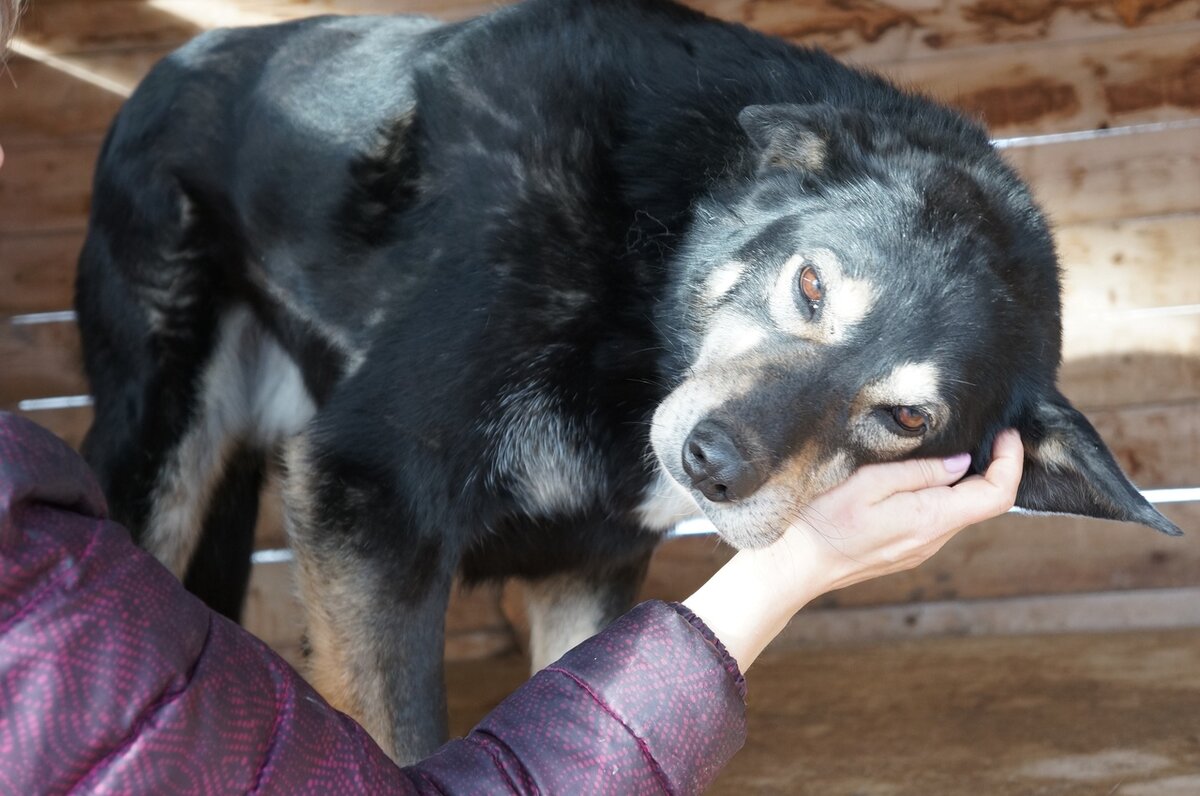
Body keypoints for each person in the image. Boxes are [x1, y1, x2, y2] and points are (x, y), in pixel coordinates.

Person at [0, 3, 1023, 791]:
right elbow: (360, 495)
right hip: (190, 152)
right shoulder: (555, 195)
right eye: (807, 294)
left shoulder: (711, 268)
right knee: (154, 527)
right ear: (778, 180)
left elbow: (602, 536)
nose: (740, 439)